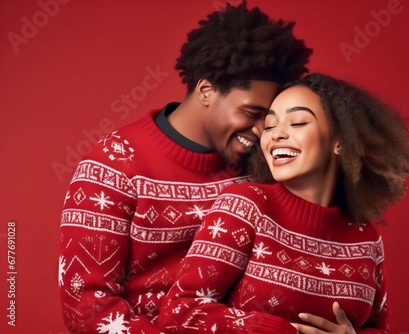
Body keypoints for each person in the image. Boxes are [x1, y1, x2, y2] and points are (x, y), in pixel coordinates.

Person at [57, 2, 312, 333]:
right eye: (252, 113)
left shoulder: (266, 165)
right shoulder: (114, 165)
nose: (263, 131)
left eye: (271, 118)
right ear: (206, 90)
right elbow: (88, 311)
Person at [158, 73, 409, 333]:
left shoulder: (366, 239)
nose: (276, 135)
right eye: (270, 126)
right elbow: (180, 311)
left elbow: (378, 327)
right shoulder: (246, 207)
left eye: (297, 122)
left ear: (340, 141)